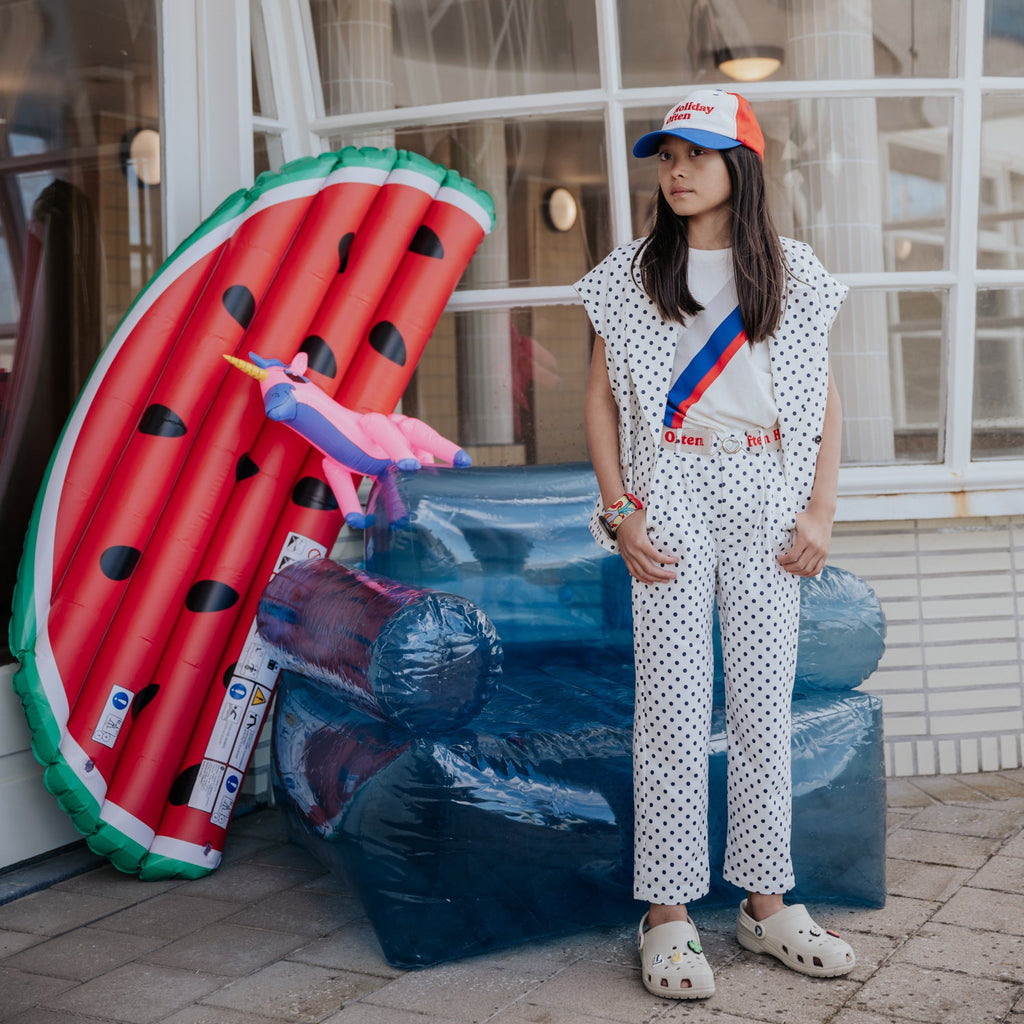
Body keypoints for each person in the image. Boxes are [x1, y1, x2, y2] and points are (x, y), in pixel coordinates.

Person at [577, 89, 856, 1000]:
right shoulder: (627, 275)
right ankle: (665, 915)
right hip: (669, 494)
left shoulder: (796, 274)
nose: (677, 171)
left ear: (742, 165)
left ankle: (766, 903)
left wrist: (819, 514)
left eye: (696, 154)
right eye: (666, 157)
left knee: (766, 705)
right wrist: (620, 513)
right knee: (669, 705)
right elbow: (600, 403)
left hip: (766, 492)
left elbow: (825, 404)